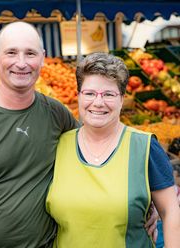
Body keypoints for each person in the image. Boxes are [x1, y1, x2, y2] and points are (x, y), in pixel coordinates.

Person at [0, 23, 156, 247]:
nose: (21, 63)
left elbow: (98, 150)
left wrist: (146, 199)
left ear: (42, 58)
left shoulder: (56, 114)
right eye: (11, 52)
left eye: (30, 53)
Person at [46, 52, 180, 247]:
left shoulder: (144, 147)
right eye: (90, 93)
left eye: (108, 94)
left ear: (122, 99)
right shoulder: (59, 145)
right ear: (79, 96)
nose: (98, 103)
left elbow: (170, 211)